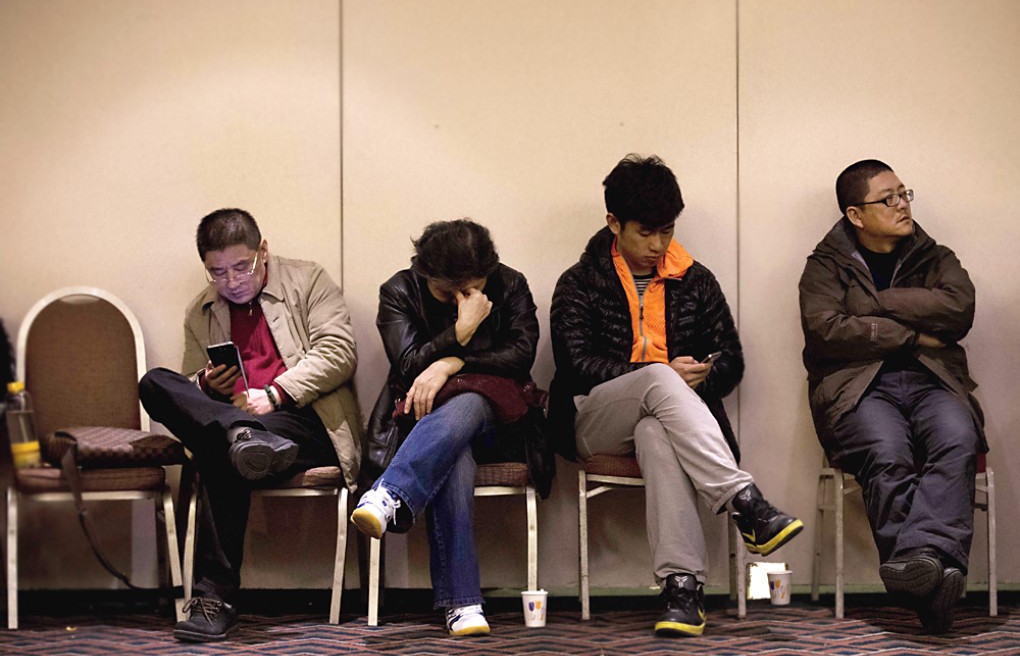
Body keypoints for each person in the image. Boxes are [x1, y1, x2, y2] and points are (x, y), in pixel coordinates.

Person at [549, 154, 803, 638]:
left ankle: (682, 589)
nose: (658, 244)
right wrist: (659, 373)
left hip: (670, 423)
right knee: (658, 380)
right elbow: (576, 367)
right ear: (613, 224)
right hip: (594, 418)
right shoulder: (580, 282)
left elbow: (731, 358)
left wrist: (703, 376)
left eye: (666, 231)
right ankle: (744, 501)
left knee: (656, 431)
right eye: (645, 232)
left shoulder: (695, 279)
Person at [139, 208, 362, 642]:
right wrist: (205, 384)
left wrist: (275, 393)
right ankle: (238, 432)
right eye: (217, 272)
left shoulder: (308, 280)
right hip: (239, 430)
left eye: (242, 267)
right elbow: (186, 394)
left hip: (301, 422)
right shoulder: (200, 310)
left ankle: (212, 599)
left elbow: (339, 352)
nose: (232, 281)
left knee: (220, 449)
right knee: (155, 384)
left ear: (263, 250)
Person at [798, 160, 984, 634]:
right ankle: (934, 584)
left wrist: (875, 305)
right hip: (859, 387)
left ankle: (919, 567)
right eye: (888, 198)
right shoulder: (824, 266)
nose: (902, 205)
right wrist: (915, 335)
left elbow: (958, 309)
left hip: (934, 381)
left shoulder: (934, 254)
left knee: (958, 438)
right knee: (887, 453)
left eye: (905, 194)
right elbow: (826, 332)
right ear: (856, 215)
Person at [351, 219, 546, 637]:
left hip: (500, 425)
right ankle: (463, 604)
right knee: (454, 454)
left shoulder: (510, 284)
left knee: (471, 399)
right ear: (425, 274)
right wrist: (460, 330)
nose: (462, 298)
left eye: (472, 289)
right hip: (423, 424)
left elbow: (522, 355)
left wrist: (452, 362)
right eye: (448, 292)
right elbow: (405, 364)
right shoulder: (399, 291)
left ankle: (390, 493)